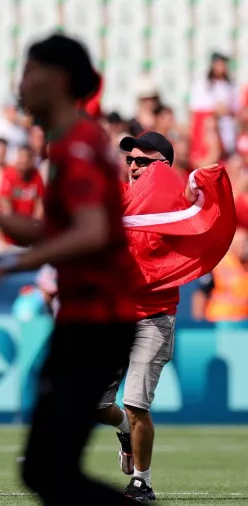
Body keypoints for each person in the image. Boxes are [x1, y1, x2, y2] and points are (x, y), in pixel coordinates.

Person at [0, 34, 141, 506]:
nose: (21, 84)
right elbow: (50, 228)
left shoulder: (76, 143)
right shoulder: (70, 141)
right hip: (87, 318)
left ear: (56, 80)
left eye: (29, 71)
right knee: (48, 471)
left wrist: (0, 270)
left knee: (47, 470)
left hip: (96, 320)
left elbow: (91, 232)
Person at [96, 131, 233, 502]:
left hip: (154, 316)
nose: (133, 166)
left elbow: (201, 199)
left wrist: (199, 180)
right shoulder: (118, 200)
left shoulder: (175, 202)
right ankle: (123, 431)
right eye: (130, 160)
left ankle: (143, 481)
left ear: (164, 168)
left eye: (143, 161)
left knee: (137, 403)